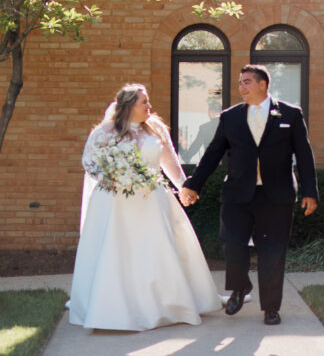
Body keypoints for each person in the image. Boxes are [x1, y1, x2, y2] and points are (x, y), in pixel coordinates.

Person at [68, 84, 223, 331]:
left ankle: (166, 304)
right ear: (129, 106)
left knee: (156, 250)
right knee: (118, 251)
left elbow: (169, 161)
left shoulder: (156, 128)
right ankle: (114, 307)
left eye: (148, 102)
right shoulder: (105, 131)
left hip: (153, 200)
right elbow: (89, 161)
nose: (149, 107)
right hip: (115, 203)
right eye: (144, 103)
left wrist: (185, 187)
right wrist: (112, 176)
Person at [180, 64, 318, 326]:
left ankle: (271, 307)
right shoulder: (230, 117)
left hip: (276, 195)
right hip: (236, 194)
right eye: (241, 82)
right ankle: (240, 287)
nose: (241, 87)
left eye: (246, 82)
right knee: (232, 243)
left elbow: (304, 155)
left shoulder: (290, 113)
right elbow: (213, 153)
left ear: (263, 84)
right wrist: (193, 184)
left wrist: (310, 192)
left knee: (273, 251)